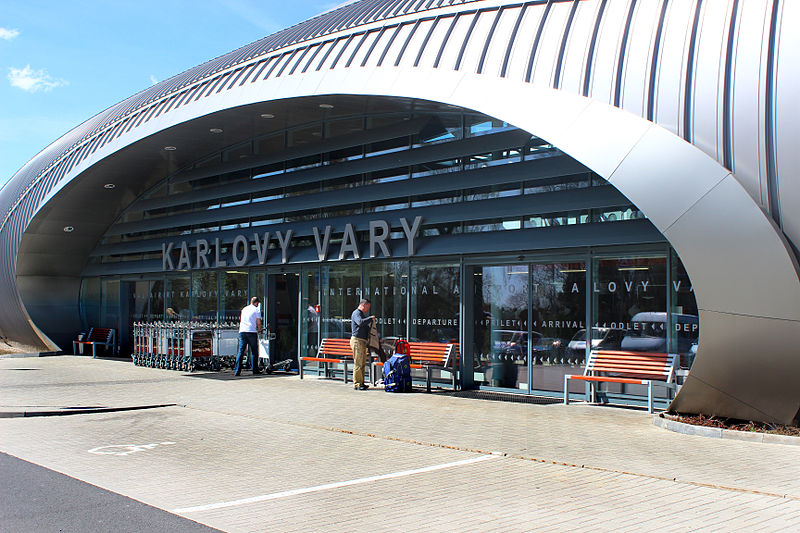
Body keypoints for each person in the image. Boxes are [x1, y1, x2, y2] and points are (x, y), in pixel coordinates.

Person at [350, 298, 375, 390]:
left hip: (362, 341)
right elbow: (360, 323)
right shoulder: (357, 313)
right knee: (358, 362)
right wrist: (370, 319)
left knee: (362, 362)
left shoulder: (362, 314)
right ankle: (357, 383)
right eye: (368, 307)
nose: (368, 309)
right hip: (357, 340)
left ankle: (361, 382)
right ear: (363, 305)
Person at [235, 296, 263, 376]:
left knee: (241, 351)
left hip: (242, 331)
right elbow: (258, 322)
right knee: (254, 351)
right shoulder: (256, 309)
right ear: (256, 303)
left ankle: (237, 370)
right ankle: (255, 370)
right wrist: (260, 330)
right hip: (251, 332)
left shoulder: (244, 309)